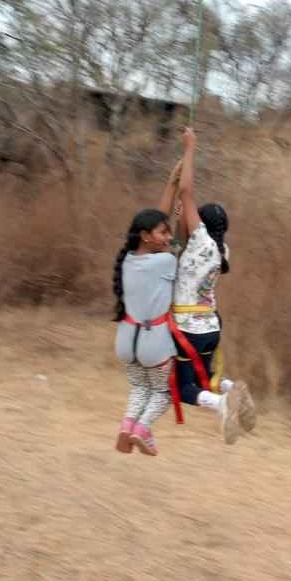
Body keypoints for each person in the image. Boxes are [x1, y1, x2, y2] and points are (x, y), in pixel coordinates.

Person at [171, 128, 257, 444]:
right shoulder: (222, 251)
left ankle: (223, 404)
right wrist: (182, 216)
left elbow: (186, 191)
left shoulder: (201, 242)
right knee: (206, 378)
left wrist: (190, 148)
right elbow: (180, 242)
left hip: (188, 328)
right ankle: (233, 389)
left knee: (184, 388)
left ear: (202, 224)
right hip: (210, 327)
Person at [111, 157, 188, 456]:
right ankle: (143, 431)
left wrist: (171, 184)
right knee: (163, 392)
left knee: (140, 388)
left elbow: (158, 222)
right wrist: (183, 204)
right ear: (146, 236)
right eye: (162, 233)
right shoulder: (165, 261)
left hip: (126, 339)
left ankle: (127, 427)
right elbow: (181, 240)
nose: (167, 237)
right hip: (154, 344)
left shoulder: (127, 259)